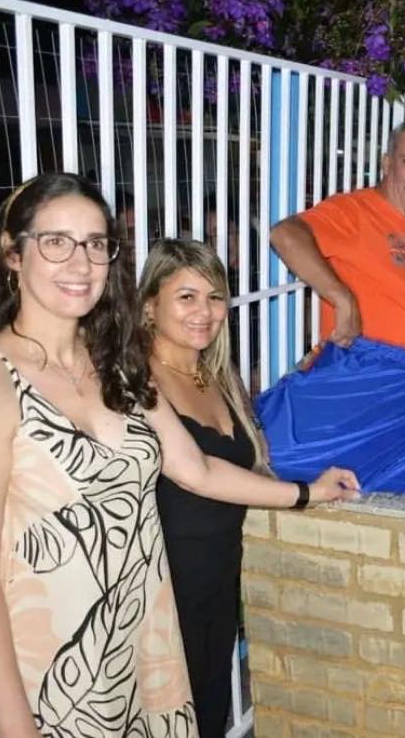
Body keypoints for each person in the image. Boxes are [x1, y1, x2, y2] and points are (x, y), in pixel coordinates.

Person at [0, 173, 359, 736]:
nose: (81, 262)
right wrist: (15, 723)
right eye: (56, 241)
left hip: (147, 645)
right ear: (13, 253)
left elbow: (195, 469)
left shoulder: (114, 363)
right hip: (54, 666)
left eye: (95, 243)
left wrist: (307, 493)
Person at [138, 239, 267, 737]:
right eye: (186, 297)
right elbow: (199, 473)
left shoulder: (216, 373)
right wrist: (306, 493)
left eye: (215, 298)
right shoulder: (135, 378)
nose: (205, 312)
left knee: (210, 709)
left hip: (218, 572)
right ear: (151, 305)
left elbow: (252, 463)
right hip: (165, 584)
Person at [270, 121, 405, 351]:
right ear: (387, 164)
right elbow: (284, 234)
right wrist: (341, 297)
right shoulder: (354, 210)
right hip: (369, 367)